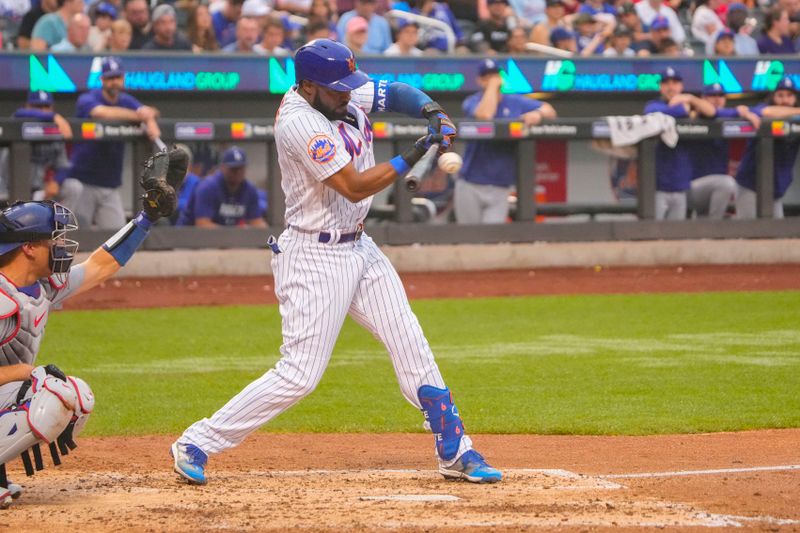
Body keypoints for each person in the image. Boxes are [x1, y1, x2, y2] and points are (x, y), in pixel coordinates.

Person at [170, 38, 502, 487]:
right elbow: (355, 185)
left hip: (360, 247)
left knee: (410, 342)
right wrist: (418, 149)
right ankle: (197, 441)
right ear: (308, 86)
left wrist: (431, 112)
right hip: (314, 256)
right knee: (299, 375)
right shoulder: (299, 122)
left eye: (349, 84)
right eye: (337, 88)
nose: (348, 94)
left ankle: (456, 451)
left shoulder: (335, 90)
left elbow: (394, 93)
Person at [0, 148, 187, 509]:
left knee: (75, 396)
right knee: (48, 391)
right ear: (27, 248)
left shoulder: (42, 286)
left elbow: (101, 264)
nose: (59, 244)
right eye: (50, 239)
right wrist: (27, 373)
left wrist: (146, 219)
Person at [455, 59, 556, 224]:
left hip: (500, 185)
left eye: (495, 75)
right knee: (469, 237)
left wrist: (537, 114)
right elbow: (485, 115)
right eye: (487, 76)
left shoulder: (514, 101)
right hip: (470, 182)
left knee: (493, 238)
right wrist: (493, 87)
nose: (493, 79)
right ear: (480, 80)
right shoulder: (472, 101)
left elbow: (549, 110)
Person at [67, 57, 161, 229]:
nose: (114, 82)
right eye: (110, 78)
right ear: (102, 79)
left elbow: (150, 111)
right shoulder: (87, 98)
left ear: (123, 79)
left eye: (117, 78)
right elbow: (101, 113)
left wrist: (150, 119)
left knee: (116, 236)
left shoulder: (126, 100)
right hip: (83, 181)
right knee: (76, 235)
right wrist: (140, 116)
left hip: (110, 184)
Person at [643, 67, 716, 220]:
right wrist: (684, 107)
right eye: (666, 83)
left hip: (681, 186)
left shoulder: (691, 102)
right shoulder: (653, 105)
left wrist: (690, 98)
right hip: (657, 187)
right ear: (660, 86)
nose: (671, 86)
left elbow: (712, 111)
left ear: (681, 86)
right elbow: (656, 113)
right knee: (651, 232)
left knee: (675, 235)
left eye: (675, 82)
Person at [687, 83, 759, 219]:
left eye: (720, 95)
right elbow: (711, 112)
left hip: (714, 188)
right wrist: (739, 111)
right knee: (726, 183)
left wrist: (746, 113)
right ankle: (714, 228)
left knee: (732, 187)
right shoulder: (695, 116)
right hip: (690, 187)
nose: (717, 99)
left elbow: (756, 112)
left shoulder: (728, 117)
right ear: (703, 98)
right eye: (712, 95)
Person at [735, 77, 800, 219]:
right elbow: (766, 112)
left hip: (776, 189)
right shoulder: (761, 108)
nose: (785, 100)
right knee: (748, 232)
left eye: (789, 96)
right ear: (773, 97)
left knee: (776, 236)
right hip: (751, 184)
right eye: (780, 95)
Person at [176, 146, 266, 227]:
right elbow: (203, 225)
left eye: (241, 168)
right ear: (222, 167)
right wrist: (236, 234)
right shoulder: (207, 187)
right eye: (233, 169)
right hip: (188, 240)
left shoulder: (249, 189)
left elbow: (257, 222)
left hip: (224, 241)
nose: (237, 172)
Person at [12, 90, 73, 202]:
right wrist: (53, 116)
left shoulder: (55, 129)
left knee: (73, 187)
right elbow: (19, 113)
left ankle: (62, 219)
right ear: (28, 107)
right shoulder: (19, 121)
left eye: (47, 106)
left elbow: (63, 166)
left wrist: (56, 182)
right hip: (13, 185)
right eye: (38, 106)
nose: (43, 110)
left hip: (41, 186)